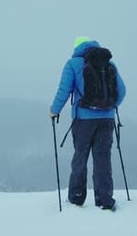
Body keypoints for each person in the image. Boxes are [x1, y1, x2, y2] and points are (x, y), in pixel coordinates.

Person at [49, 36, 126, 210]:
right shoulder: (109, 64)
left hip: (83, 121)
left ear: (77, 47)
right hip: (106, 120)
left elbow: (64, 90)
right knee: (103, 160)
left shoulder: (73, 64)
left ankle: (76, 198)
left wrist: (54, 110)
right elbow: (121, 91)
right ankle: (105, 200)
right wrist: (109, 107)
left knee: (80, 157)